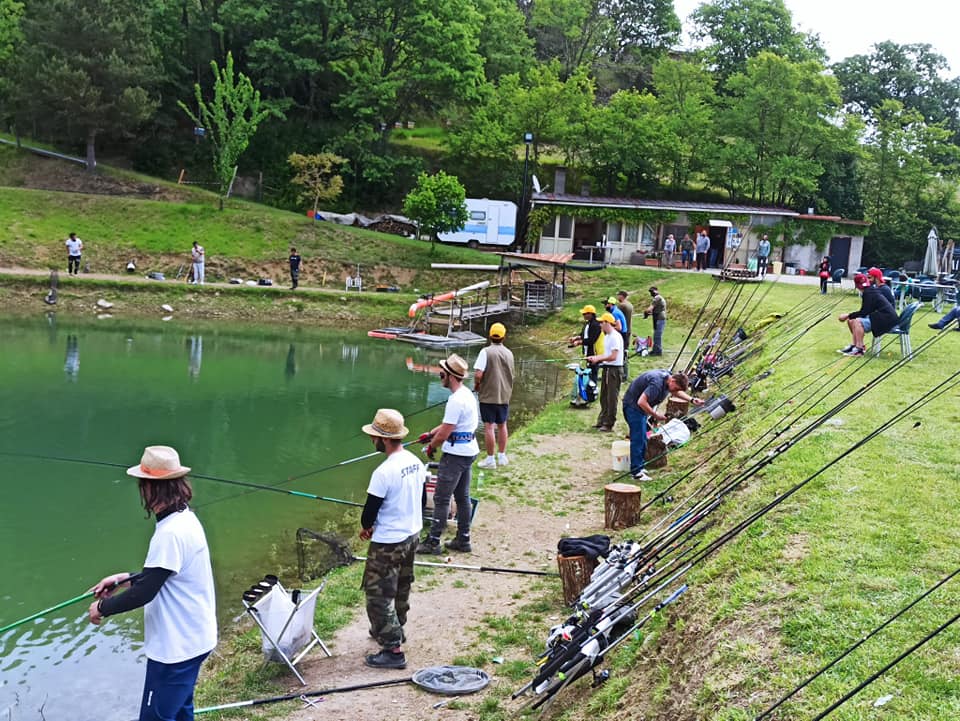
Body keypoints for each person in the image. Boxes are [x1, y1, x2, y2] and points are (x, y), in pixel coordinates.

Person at [88, 445, 217, 721]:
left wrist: (102, 607)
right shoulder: (186, 519)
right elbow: (163, 575)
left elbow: (145, 592)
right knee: (181, 713)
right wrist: (125, 579)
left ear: (150, 488)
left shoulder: (169, 534)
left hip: (176, 651)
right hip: (195, 639)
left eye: (142, 485)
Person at [358, 408, 425, 670]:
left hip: (388, 542)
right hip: (412, 535)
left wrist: (367, 528)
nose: (372, 440)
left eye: (374, 436)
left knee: (378, 594)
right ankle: (397, 629)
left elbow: (369, 513)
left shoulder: (383, 472)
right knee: (401, 585)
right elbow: (420, 500)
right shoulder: (415, 462)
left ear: (384, 439)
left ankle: (392, 650)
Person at [419, 354, 479, 555]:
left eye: (442, 372)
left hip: (455, 455)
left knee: (442, 498)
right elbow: (447, 426)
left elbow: (446, 432)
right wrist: (430, 434)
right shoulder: (466, 394)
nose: (440, 374)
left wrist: (431, 446)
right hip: (468, 450)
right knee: (462, 497)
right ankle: (464, 539)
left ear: (450, 376)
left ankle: (433, 542)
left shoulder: (455, 400)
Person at [622, 371, 702, 480]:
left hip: (641, 410)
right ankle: (636, 472)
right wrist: (655, 415)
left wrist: (691, 399)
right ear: (673, 380)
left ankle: (640, 465)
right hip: (633, 408)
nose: (675, 391)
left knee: (644, 437)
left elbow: (676, 392)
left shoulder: (668, 380)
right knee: (638, 439)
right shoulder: (656, 384)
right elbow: (641, 402)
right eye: (676, 388)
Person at [474, 323, 515, 469]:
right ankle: (502, 456)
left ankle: (490, 460)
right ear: (504, 337)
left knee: (489, 427)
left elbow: (478, 374)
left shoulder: (485, 352)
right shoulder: (509, 353)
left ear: (490, 335)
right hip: (504, 395)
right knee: (502, 425)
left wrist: (477, 386)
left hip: (488, 396)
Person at [838, 268, 899, 356]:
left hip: (886, 320)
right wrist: (850, 317)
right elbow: (866, 310)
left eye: (870, 277)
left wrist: (847, 315)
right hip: (879, 316)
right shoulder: (870, 290)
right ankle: (855, 346)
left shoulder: (871, 292)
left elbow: (864, 312)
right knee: (852, 320)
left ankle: (859, 349)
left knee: (857, 321)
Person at [586, 312, 624, 432]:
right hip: (607, 368)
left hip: (614, 370)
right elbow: (606, 354)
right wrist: (594, 357)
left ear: (607, 323)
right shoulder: (607, 336)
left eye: (602, 322)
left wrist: (598, 359)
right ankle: (602, 420)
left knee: (611, 397)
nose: (600, 325)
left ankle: (609, 423)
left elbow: (613, 356)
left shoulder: (615, 337)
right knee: (604, 396)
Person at [568, 304, 603, 383]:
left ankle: (592, 391)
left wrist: (579, 343)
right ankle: (588, 389)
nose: (583, 315)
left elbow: (591, 340)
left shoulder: (595, 325)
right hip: (587, 353)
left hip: (593, 353)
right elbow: (583, 334)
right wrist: (576, 338)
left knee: (593, 373)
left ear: (590, 314)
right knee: (588, 372)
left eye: (585, 314)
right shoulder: (587, 323)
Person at [643, 286, 667, 356]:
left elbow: (649, 309)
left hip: (660, 318)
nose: (651, 293)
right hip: (657, 317)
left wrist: (646, 312)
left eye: (652, 291)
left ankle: (658, 351)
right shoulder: (658, 298)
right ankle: (655, 350)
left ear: (656, 290)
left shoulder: (657, 298)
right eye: (650, 292)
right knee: (656, 335)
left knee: (657, 335)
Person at [616, 290, 634, 379]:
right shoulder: (630, 304)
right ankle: (624, 374)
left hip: (622, 331)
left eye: (618, 295)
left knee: (621, 353)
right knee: (625, 351)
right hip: (628, 330)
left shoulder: (621, 306)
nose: (617, 298)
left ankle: (623, 374)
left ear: (621, 296)